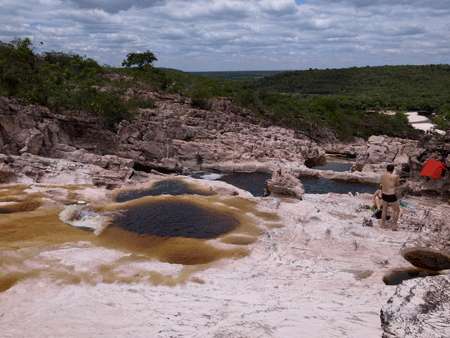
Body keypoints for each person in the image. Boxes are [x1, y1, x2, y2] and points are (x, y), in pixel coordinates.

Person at [380, 164, 400, 231]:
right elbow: (397, 184)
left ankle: (383, 225)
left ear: (387, 169)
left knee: (384, 210)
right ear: (393, 170)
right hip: (391, 194)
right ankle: (394, 226)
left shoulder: (383, 175)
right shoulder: (395, 176)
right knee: (396, 210)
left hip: (384, 194)